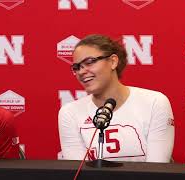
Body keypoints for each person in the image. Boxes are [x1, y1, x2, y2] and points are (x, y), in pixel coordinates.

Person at [58, 34, 174, 162]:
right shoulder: (69, 112)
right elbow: (77, 171)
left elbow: (156, 170)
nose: (81, 72)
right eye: (76, 67)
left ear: (113, 61)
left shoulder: (155, 102)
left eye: (89, 62)